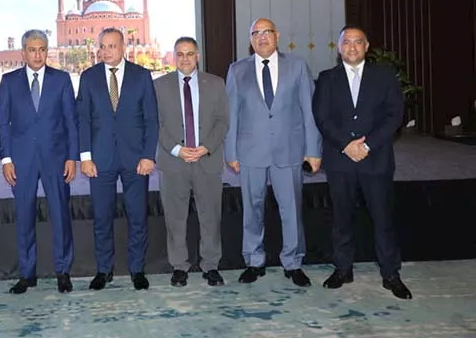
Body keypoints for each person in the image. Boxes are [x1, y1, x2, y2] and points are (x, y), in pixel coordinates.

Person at [313, 25, 412, 299]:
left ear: (367, 46)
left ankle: (390, 274)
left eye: (358, 42)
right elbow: (321, 117)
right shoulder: (327, 78)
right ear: (339, 47)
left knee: (383, 219)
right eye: (347, 42)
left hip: (375, 159)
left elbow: (394, 116)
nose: (352, 47)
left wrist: (367, 145)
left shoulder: (384, 77)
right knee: (341, 218)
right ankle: (343, 269)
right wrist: (346, 145)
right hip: (340, 160)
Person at [224, 18, 322, 287]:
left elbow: (309, 111)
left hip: (289, 150)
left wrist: (313, 150)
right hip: (250, 151)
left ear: (277, 35)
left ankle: (293, 262)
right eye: (256, 33)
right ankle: (254, 260)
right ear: (250, 39)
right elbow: (231, 115)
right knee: (252, 209)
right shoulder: (237, 70)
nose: (262, 37)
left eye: (267, 32)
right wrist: (231, 152)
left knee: (291, 209)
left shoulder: (297, 66)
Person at [77, 27, 158, 291]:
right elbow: (83, 119)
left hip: (136, 159)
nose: (107, 51)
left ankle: (137, 269)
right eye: (103, 46)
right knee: (101, 218)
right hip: (100, 160)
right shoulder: (88, 77)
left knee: (137, 217)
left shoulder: (141, 76)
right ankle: (104, 270)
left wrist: (148, 155)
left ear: (123, 47)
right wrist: (85, 157)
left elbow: (151, 119)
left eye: (112, 46)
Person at [0, 30, 78, 294]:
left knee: (60, 215)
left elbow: (71, 121)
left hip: (56, 159)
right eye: (32, 50)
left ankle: (63, 271)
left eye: (42, 49)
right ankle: (27, 273)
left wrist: (72, 157)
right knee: (24, 217)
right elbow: (2, 123)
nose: (37, 54)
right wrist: (6, 159)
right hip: (21, 161)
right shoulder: (9, 81)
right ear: (23, 52)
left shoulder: (61, 79)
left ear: (47, 51)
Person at [154, 37, 229, 287]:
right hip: (174, 161)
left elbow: (223, 121)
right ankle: (179, 266)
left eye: (189, 54)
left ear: (198, 55)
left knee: (211, 217)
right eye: (180, 54)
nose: (185, 58)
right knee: (175, 218)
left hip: (207, 159)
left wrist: (206, 147)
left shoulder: (216, 84)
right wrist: (177, 150)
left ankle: (211, 265)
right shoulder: (159, 86)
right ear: (174, 57)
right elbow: (156, 123)